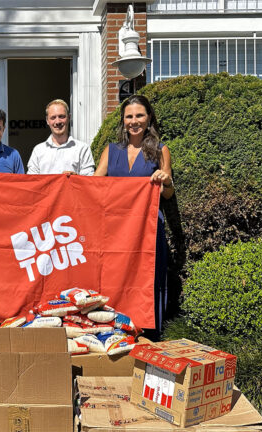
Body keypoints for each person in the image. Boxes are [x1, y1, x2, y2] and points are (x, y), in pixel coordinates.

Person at [94, 94, 174, 338]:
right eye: (129, 116)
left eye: (139, 115)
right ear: (123, 120)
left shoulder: (161, 151)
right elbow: (93, 186)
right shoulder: (111, 150)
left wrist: (166, 180)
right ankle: (114, 336)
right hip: (115, 231)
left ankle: (149, 337)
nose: (134, 121)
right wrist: (70, 180)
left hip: (147, 231)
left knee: (146, 283)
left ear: (149, 118)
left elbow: (167, 195)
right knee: (115, 280)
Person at [27, 99, 95, 175]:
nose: (58, 122)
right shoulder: (38, 150)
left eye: (61, 116)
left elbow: (89, 181)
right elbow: (32, 181)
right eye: (53, 118)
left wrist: (76, 178)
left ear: (69, 117)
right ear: (47, 121)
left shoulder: (82, 149)